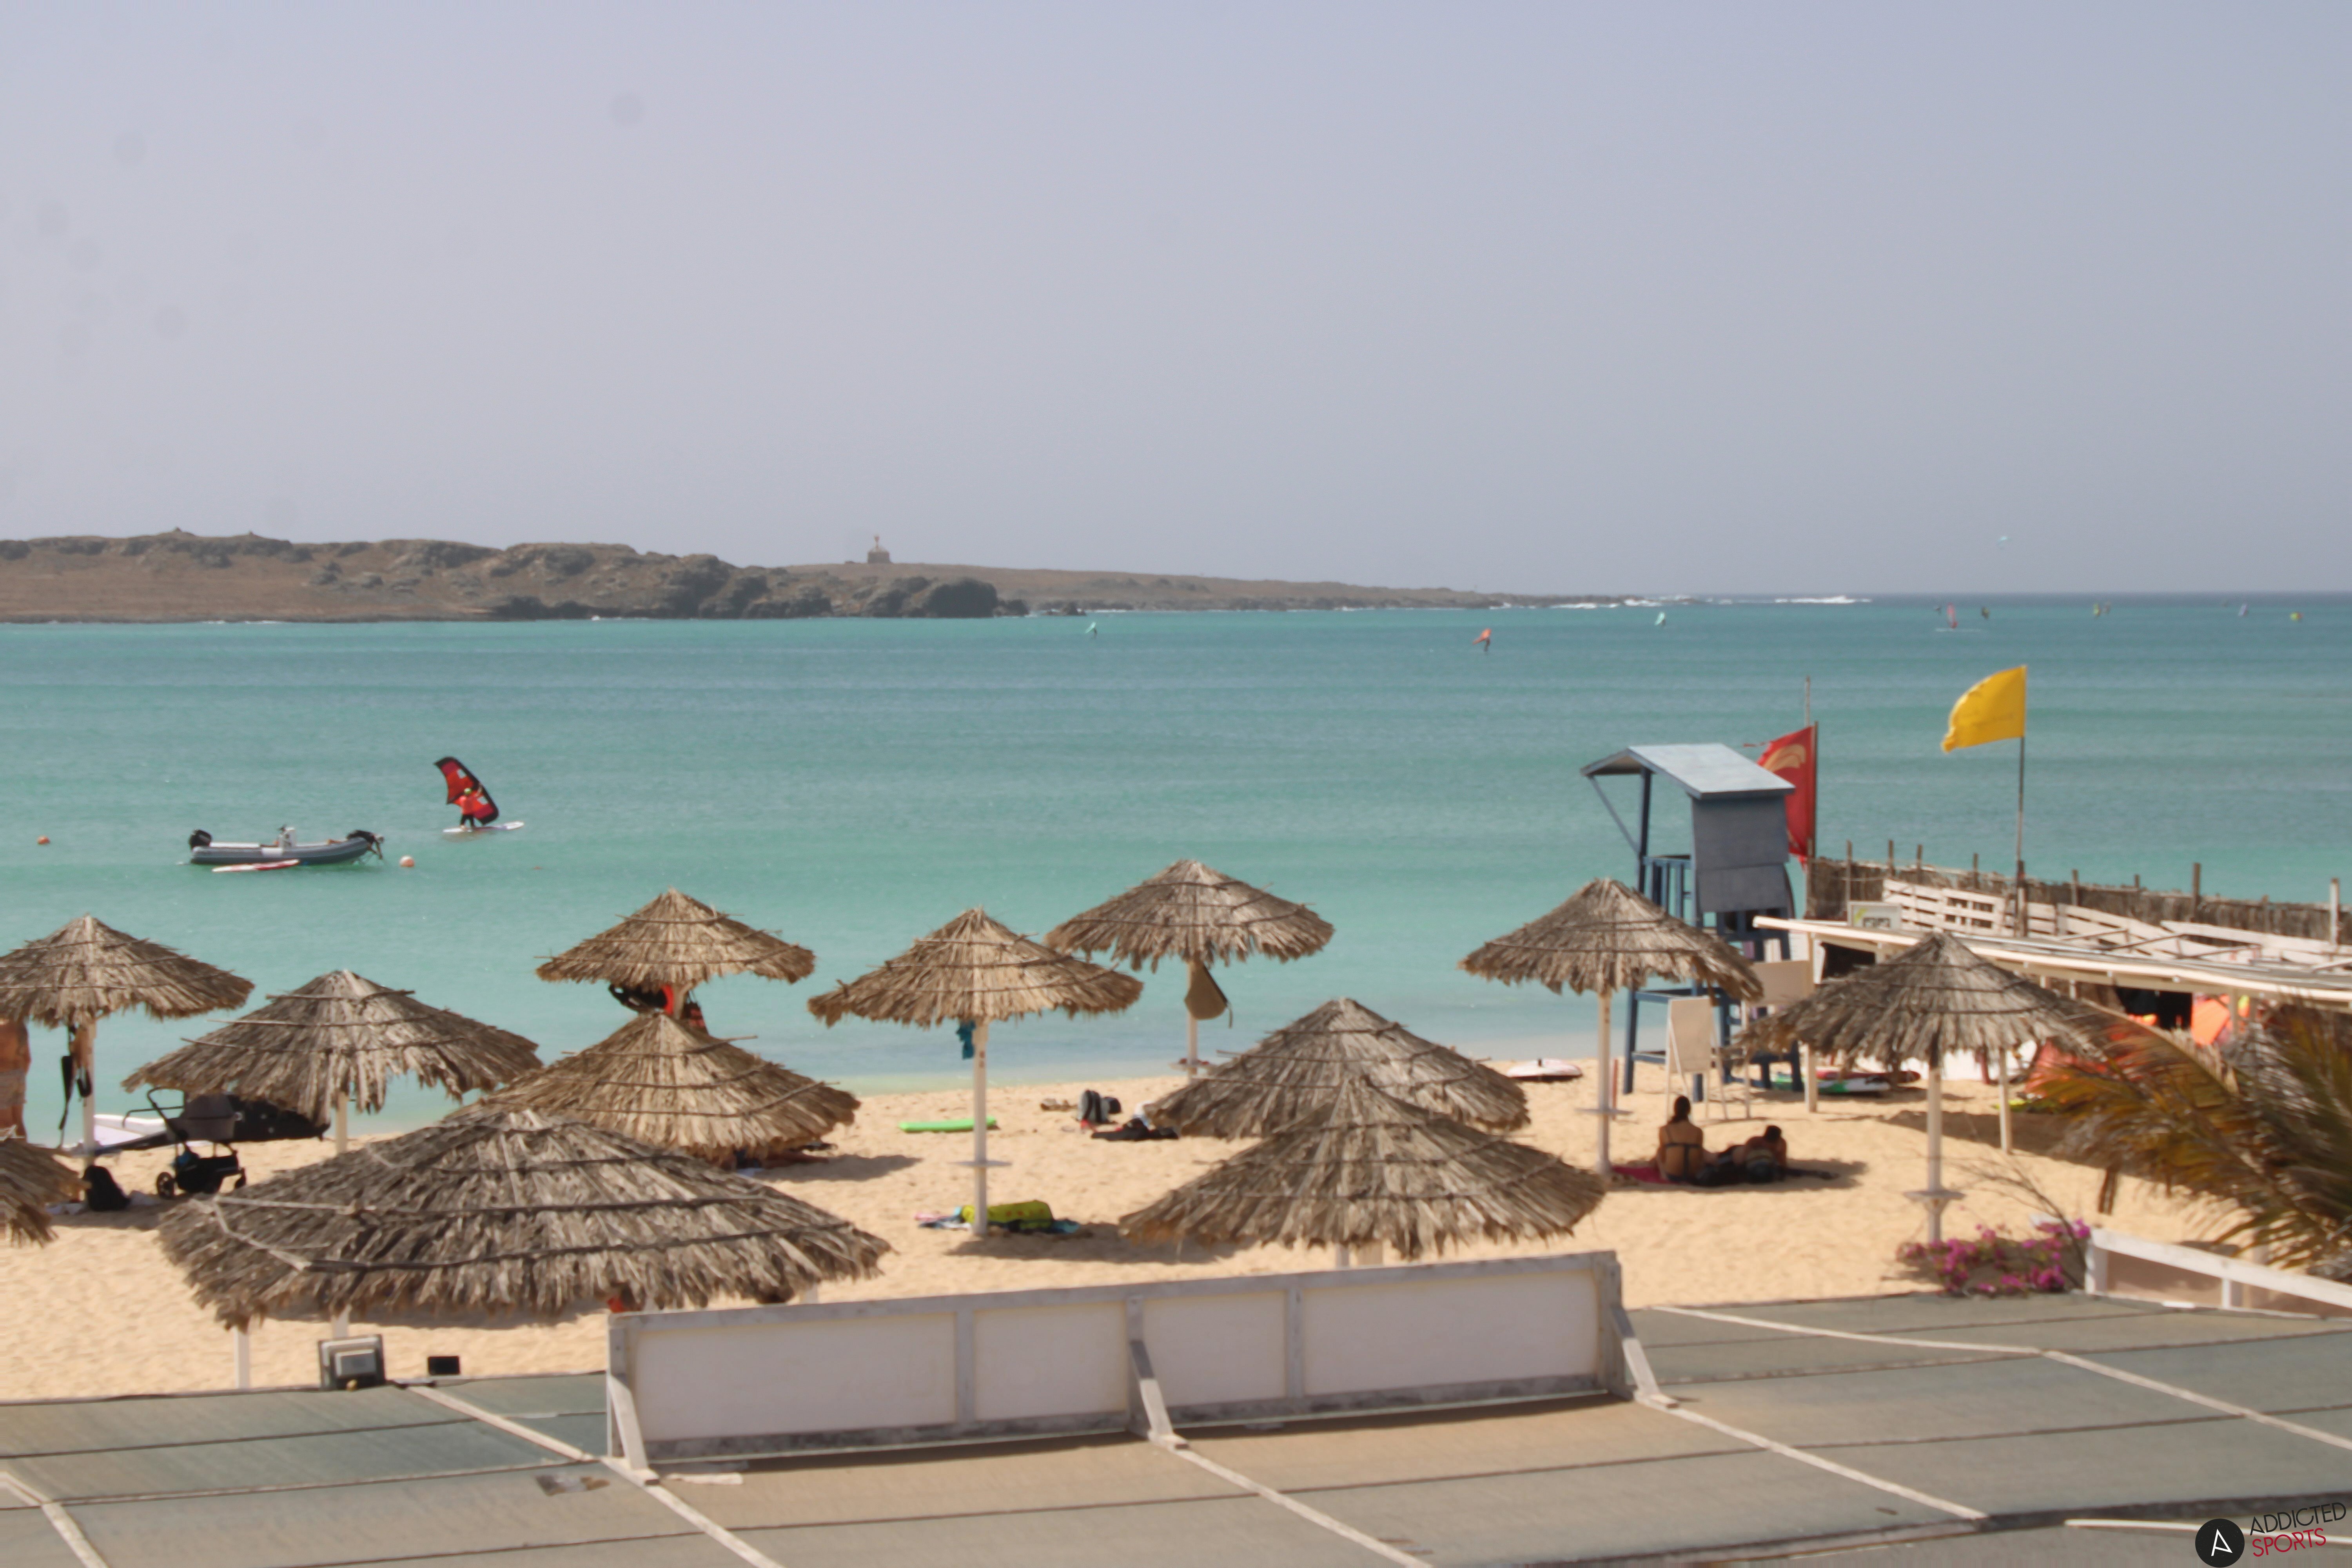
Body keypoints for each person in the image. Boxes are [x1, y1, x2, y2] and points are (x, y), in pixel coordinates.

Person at [1657, 1095, 1707, 1182]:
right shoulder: (1698, 1131)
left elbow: (1663, 1156)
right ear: (1689, 1111)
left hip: (1672, 1175)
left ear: (1675, 1110)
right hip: (1693, 1175)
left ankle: (1663, 1176)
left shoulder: (1665, 1130)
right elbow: (1700, 1157)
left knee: (1659, 1152)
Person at [0, 1017, 29, 1138]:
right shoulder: (20, 1026)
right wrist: (19, 1079)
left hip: (3, 1076)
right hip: (18, 1076)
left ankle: (8, 1150)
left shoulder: (2, 1027)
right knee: (19, 1122)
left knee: (4, 1124)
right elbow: (28, 1059)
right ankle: (24, 1148)